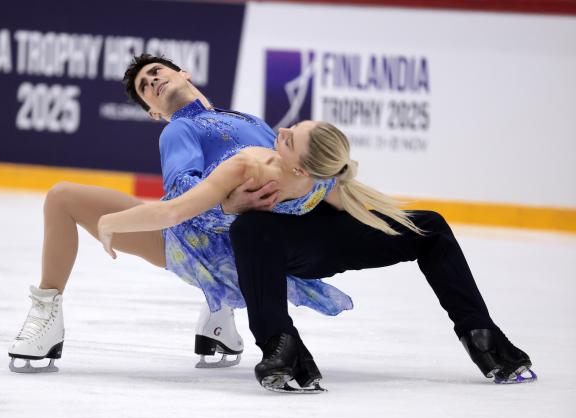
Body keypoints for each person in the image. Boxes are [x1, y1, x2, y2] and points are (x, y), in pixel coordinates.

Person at [6, 54, 351, 374]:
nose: (151, 81)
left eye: (156, 72)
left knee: (61, 198)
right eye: (144, 87)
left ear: (183, 73)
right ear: (153, 112)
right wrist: (229, 206)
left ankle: (217, 318)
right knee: (62, 197)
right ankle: (46, 312)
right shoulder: (179, 130)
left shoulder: (247, 119)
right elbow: (184, 198)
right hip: (193, 245)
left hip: (253, 245)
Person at [225, 122, 537, 392]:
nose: (283, 130)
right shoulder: (243, 150)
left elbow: (334, 192)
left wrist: (231, 205)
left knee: (428, 226)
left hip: (316, 236)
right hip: (287, 240)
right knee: (250, 227)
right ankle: (282, 344)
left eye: (292, 133)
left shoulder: (263, 147)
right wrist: (228, 205)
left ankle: (480, 333)